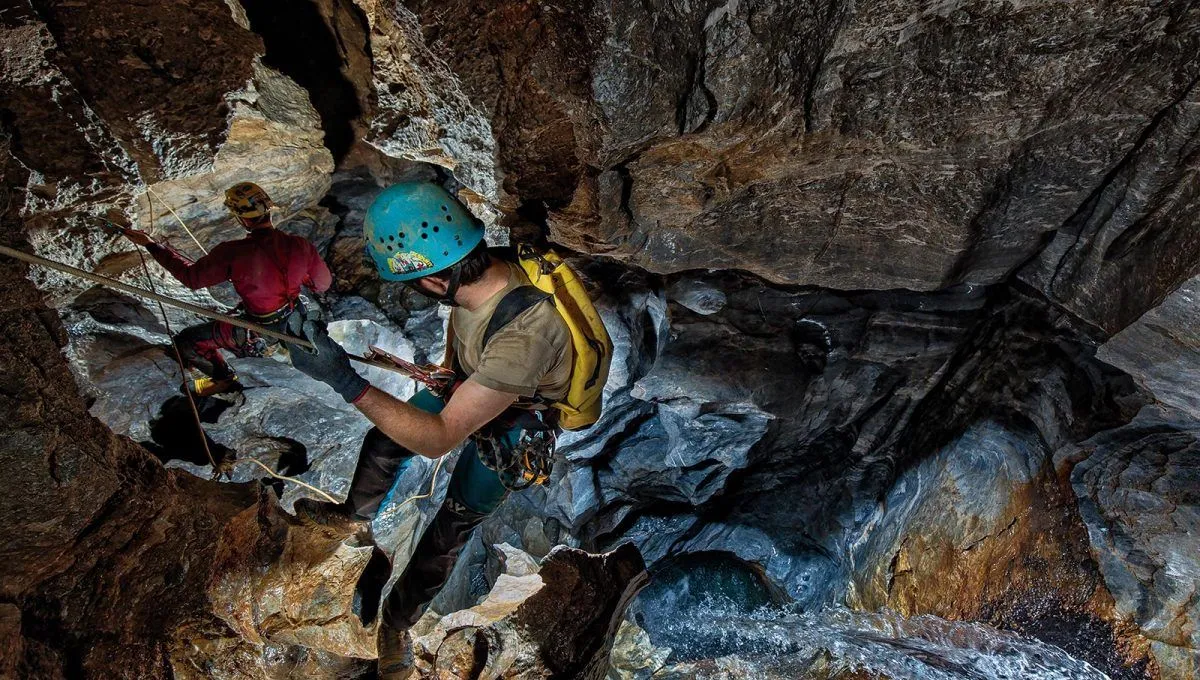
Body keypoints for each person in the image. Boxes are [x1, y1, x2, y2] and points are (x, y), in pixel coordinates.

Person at [286, 182, 574, 676]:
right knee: (385, 439)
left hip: (517, 425)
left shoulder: (527, 331)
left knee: (451, 526)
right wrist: (446, 371)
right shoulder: (479, 271)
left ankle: (396, 624)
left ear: (438, 281)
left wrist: (345, 381)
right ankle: (354, 521)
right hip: (470, 381)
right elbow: (465, 332)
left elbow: (440, 436)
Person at [122, 182, 332, 396]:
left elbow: (192, 278)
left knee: (187, 341)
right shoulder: (300, 245)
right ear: (269, 210)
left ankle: (224, 380)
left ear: (241, 218)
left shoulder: (233, 252)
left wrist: (152, 245)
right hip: (295, 317)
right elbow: (322, 284)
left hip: (259, 326)